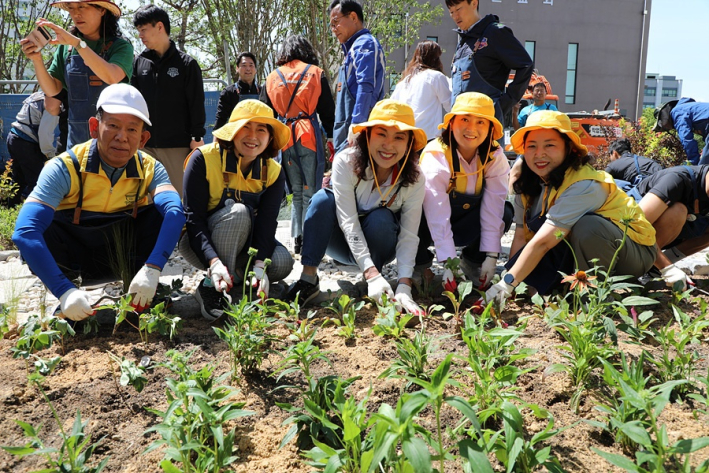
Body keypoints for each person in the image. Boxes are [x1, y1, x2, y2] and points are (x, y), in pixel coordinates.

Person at [12, 84, 185, 321]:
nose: (122, 137)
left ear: (143, 138)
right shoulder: (64, 168)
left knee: (160, 213)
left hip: (125, 256)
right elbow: (25, 231)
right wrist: (64, 291)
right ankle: (69, 299)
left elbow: (175, 212)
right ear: (94, 127)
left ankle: (143, 292)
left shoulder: (151, 168)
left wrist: (153, 268)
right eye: (112, 125)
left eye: (132, 129)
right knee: (45, 224)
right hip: (75, 260)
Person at [484, 111, 657, 304]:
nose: (539, 153)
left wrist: (507, 284)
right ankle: (562, 289)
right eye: (531, 146)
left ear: (569, 148)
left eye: (549, 145)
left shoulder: (584, 183)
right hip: (580, 251)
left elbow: (543, 243)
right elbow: (521, 234)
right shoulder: (528, 185)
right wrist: (515, 281)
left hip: (631, 253)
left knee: (587, 225)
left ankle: (592, 298)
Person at [284, 100, 427, 316]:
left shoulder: (415, 179)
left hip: (381, 244)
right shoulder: (345, 163)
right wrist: (371, 273)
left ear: (409, 144)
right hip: (341, 242)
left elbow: (408, 234)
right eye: (381, 134)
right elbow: (348, 221)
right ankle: (308, 279)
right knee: (322, 200)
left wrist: (404, 286)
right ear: (367, 136)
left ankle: (373, 283)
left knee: (382, 218)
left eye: (399, 137)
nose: (389, 145)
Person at [180, 100, 294, 320]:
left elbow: (267, 223)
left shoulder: (273, 171)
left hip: (245, 245)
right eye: (245, 127)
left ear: (270, 137)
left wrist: (260, 264)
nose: (252, 136)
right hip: (199, 245)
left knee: (281, 263)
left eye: (261, 129)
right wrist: (213, 263)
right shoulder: (203, 159)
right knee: (239, 212)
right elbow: (193, 221)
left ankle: (235, 280)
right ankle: (210, 286)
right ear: (232, 132)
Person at [416, 92, 513, 288]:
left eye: (481, 122)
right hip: (428, 224)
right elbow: (437, 212)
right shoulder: (436, 154)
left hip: (466, 224)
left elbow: (494, 205)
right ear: (451, 124)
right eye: (465, 119)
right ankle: (420, 267)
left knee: (506, 212)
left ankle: (471, 263)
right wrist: (448, 263)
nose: (471, 128)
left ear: (490, 129)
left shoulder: (495, 156)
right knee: (410, 216)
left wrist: (492, 256)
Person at [20, 0, 134, 149]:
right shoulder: (66, 48)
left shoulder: (121, 46)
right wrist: (37, 60)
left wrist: (78, 44)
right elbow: (53, 90)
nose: (76, 14)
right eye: (71, 8)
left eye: (82, 7)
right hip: (76, 141)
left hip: (115, 142)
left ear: (102, 10)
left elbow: (111, 76)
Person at [261, 35, 335, 255]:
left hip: (285, 137)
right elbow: (328, 111)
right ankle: (310, 239)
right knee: (311, 191)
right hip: (308, 136)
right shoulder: (314, 72)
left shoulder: (272, 77)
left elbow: (265, 112)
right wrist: (331, 138)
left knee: (296, 193)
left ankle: (297, 239)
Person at [131, 5, 206, 196]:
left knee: (177, 201)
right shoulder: (139, 63)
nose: (140, 35)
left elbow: (196, 104)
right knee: (145, 203)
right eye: (138, 31)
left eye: (143, 29)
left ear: (160, 27)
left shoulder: (187, 64)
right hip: (144, 146)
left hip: (177, 147)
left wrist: (196, 137)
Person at [446, 0, 533, 128]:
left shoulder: (495, 33)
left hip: (486, 126)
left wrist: (503, 104)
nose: (455, 16)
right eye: (451, 12)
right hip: (460, 126)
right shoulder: (463, 42)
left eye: (459, 9)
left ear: (474, 3)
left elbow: (525, 65)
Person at [633, 165, 709, 290]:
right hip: (628, 236)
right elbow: (636, 226)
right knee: (677, 211)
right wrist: (667, 267)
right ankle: (640, 266)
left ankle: (652, 269)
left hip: (665, 235)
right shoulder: (676, 180)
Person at [329, 0, 386, 153]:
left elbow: (366, 85)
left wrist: (357, 124)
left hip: (357, 137)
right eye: (331, 26)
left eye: (336, 22)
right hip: (346, 136)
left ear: (353, 17)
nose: (334, 30)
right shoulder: (351, 49)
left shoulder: (364, 44)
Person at [5, 92, 62, 203]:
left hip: (13, 137)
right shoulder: (53, 103)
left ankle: (10, 207)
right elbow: (45, 133)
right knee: (36, 181)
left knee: (18, 178)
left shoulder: (38, 95)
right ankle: (34, 210)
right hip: (26, 142)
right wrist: (49, 155)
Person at [391, 40, 452, 141]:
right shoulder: (436, 77)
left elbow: (393, 105)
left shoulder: (406, 80)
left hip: (405, 134)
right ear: (436, 58)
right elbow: (450, 104)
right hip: (427, 135)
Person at [653, 98, 709, 165]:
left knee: (703, 167)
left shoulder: (677, 112)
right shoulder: (686, 107)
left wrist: (695, 163)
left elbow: (686, 139)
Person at [214, 52, 263, 130]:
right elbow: (220, 120)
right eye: (244, 65)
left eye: (251, 65)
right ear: (237, 68)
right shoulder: (228, 93)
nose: (248, 69)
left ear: (255, 69)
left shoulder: (263, 92)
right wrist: (216, 141)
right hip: (235, 137)